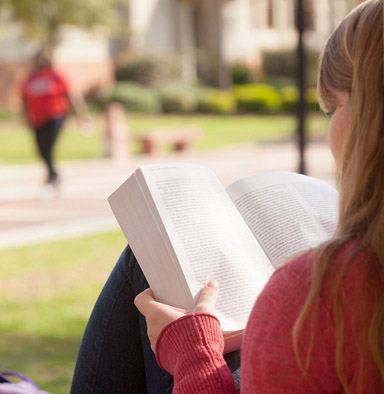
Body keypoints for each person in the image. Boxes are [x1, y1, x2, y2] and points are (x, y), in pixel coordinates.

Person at [71, 0, 384, 392]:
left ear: (367, 118)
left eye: (335, 105)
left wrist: (193, 352)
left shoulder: (316, 297)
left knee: (146, 256)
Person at [21, 46, 92, 193]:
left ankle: (52, 177)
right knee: (40, 150)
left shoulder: (57, 76)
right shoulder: (30, 79)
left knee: (48, 147)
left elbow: (72, 96)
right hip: (37, 119)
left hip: (56, 116)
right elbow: (24, 99)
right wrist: (26, 116)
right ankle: (53, 175)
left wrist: (82, 116)